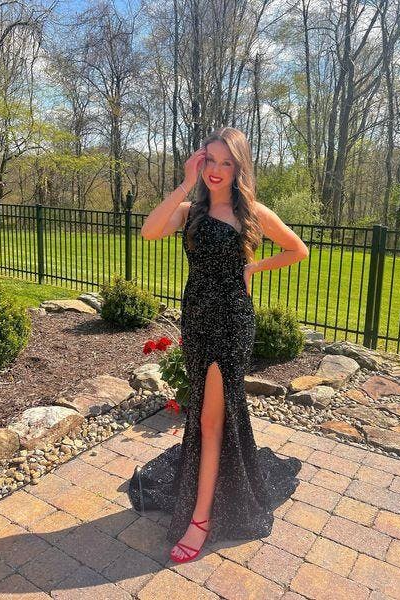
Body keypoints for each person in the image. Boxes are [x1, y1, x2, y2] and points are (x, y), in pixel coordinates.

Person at [128, 126, 308, 563]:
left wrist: (253, 268)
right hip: (197, 319)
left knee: (210, 420)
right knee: (212, 416)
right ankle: (218, 486)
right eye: (210, 159)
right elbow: (149, 231)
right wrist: (184, 182)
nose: (217, 169)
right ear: (200, 160)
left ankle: (201, 519)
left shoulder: (253, 213)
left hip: (231, 321)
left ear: (239, 167)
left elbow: (298, 250)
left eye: (227, 162)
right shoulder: (189, 210)